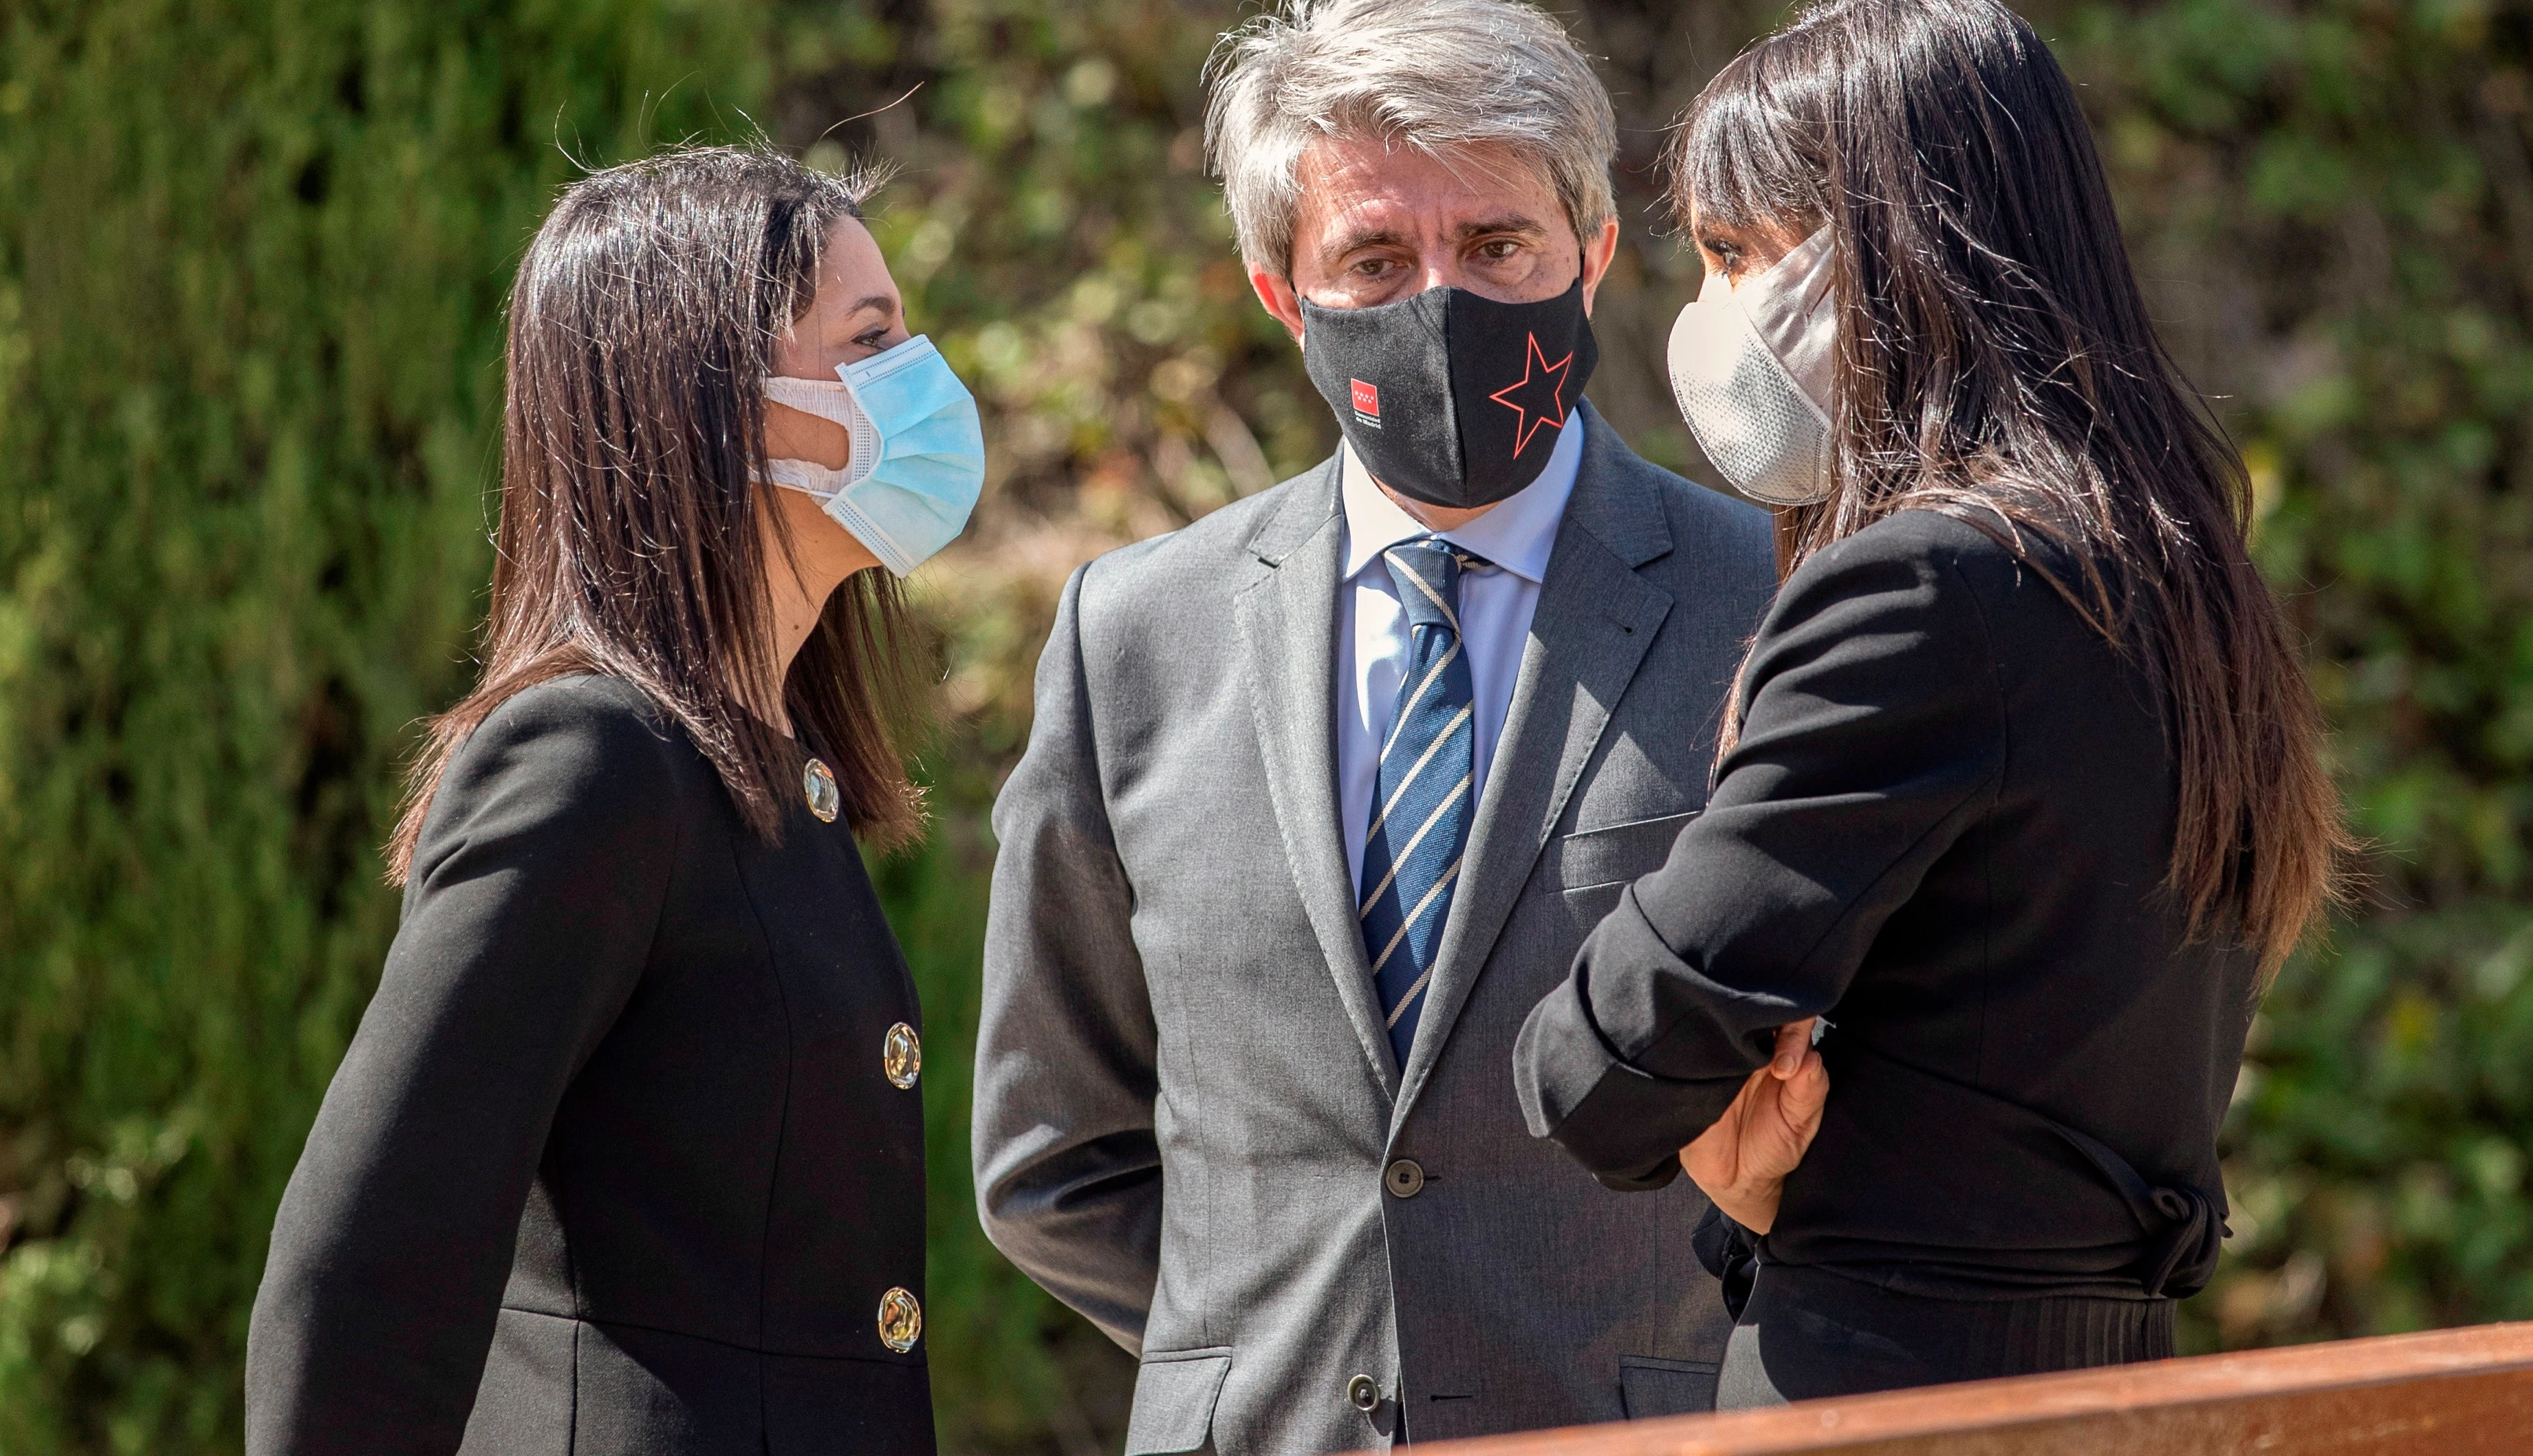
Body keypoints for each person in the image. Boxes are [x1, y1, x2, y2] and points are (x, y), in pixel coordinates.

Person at [970, 1, 1788, 1450]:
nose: (1440, 300)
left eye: (1495, 246)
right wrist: (1257, 1355)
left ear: (1592, 252)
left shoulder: (1772, 598)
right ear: (1282, 295)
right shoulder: (1135, 635)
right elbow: (1053, 1152)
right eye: (1372, 257)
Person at [1514, 0, 2349, 1409]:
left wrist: (1691, 1108)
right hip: (2112, 1378)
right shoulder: (2182, 582)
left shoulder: (1923, 589)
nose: (1707, 312)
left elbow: (1605, 1061)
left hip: (1884, 1389)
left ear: (1885, 255)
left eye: (1734, 254)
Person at [244, 146, 984, 1454]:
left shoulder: (771, 765)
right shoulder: (589, 761)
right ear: (715, 404)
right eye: (868, 341)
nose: (920, 385)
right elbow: (370, 1264)